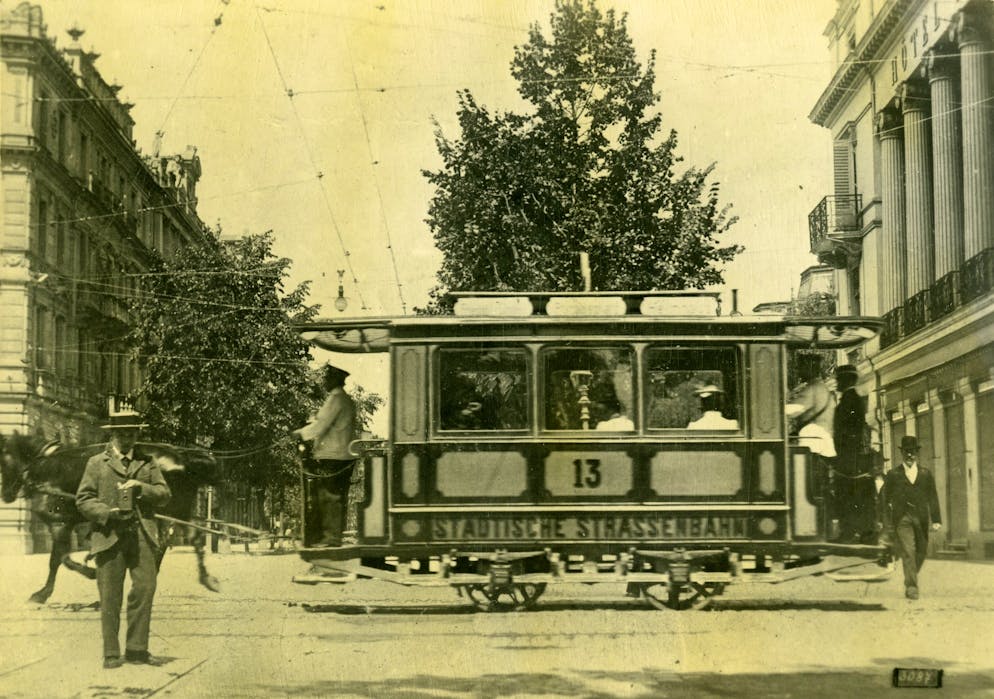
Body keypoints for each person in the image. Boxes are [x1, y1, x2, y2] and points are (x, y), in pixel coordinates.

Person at [76, 411, 171, 669]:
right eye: (122, 434)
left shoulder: (147, 462)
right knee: (109, 595)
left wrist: (142, 488)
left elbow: (164, 494)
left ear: (137, 434)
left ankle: (137, 649)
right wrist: (106, 513)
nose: (127, 438)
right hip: (109, 536)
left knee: (145, 588)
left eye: (132, 433)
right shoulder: (97, 463)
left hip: (142, 535)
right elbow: (83, 499)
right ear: (112, 434)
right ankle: (110, 652)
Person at [294, 363, 356, 547]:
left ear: (336, 379)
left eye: (327, 377)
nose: (324, 381)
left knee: (328, 497)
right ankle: (331, 537)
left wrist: (299, 433)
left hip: (333, 455)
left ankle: (331, 538)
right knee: (333, 497)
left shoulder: (336, 399)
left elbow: (320, 425)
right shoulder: (344, 400)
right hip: (341, 454)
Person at [881, 436, 942, 600]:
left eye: (912, 452)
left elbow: (933, 497)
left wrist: (936, 520)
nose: (910, 455)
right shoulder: (893, 474)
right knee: (909, 551)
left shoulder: (925, 474)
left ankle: (910, 577)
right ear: (902, 453)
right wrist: (886, 522)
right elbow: (884, 499)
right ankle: (912, 587)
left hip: (921, 519)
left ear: (917, 453)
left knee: (921, 552)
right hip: (902, 519)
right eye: (907, 452)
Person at [832, 364, 876, 542]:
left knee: (847, 493)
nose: (836, 383)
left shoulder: (850, 400)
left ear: (846, 380)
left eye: (839, 380)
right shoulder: (852, 399)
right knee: (855, 494)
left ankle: (849, 533)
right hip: (853, 456)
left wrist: (839, 453)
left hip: (849, 457)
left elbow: (850, 431)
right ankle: (859, 532)